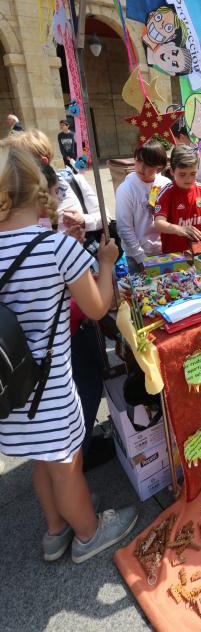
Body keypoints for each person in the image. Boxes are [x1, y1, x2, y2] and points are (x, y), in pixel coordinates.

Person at [0, 144, 137, 563]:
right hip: (50, 385)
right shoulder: (56, 248)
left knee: (44, 462)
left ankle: (55, 530)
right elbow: (97, 307)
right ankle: (88, 533)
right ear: (42, 191)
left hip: (11, 386)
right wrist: (107, 261)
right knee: (67, 466)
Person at [115, 140, 170, 275]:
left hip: (164, 252)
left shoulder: (166, 184)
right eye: (138, 161)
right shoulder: (126, 189)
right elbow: (124, 228)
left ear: (159, 166)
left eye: (147, 164)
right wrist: (141, 259)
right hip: (137, 256)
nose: (141, 167)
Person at [154, 145, 201, 254]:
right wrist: (181, 229)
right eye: (182, 174)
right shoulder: (166, 193)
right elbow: (159, 223)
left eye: (193, 174)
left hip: (200, 255)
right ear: (172, 171)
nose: (188, 179)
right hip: (174, 257)